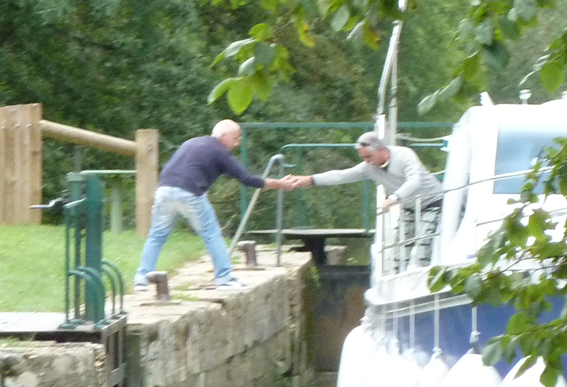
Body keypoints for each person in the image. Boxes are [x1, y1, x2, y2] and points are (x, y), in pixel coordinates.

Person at [134, 119, 290, 290]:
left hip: (164, 190)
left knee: (156, 236)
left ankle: (142, 279)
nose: (237, 144)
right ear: (222, 136)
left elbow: (171, 169)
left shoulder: (190, 143)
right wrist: (280, 184)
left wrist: (160, 200)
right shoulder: (220, 151)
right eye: (235, 138)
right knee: (212, 234)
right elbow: (247, 179)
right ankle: (224, 279)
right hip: (190, 193)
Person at [285, 131, 444, 269]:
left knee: (423, 245)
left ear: (381, 150)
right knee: (398, 250)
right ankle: (397, 280)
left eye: (368, 156)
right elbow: (342, 175)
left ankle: (426, 280)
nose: (366, 161)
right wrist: (310, 179)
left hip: (433, 203)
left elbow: (415, 180)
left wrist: (393, 198)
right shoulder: (368, 167)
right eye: (363, 158)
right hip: (410, 207)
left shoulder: (404, 155)